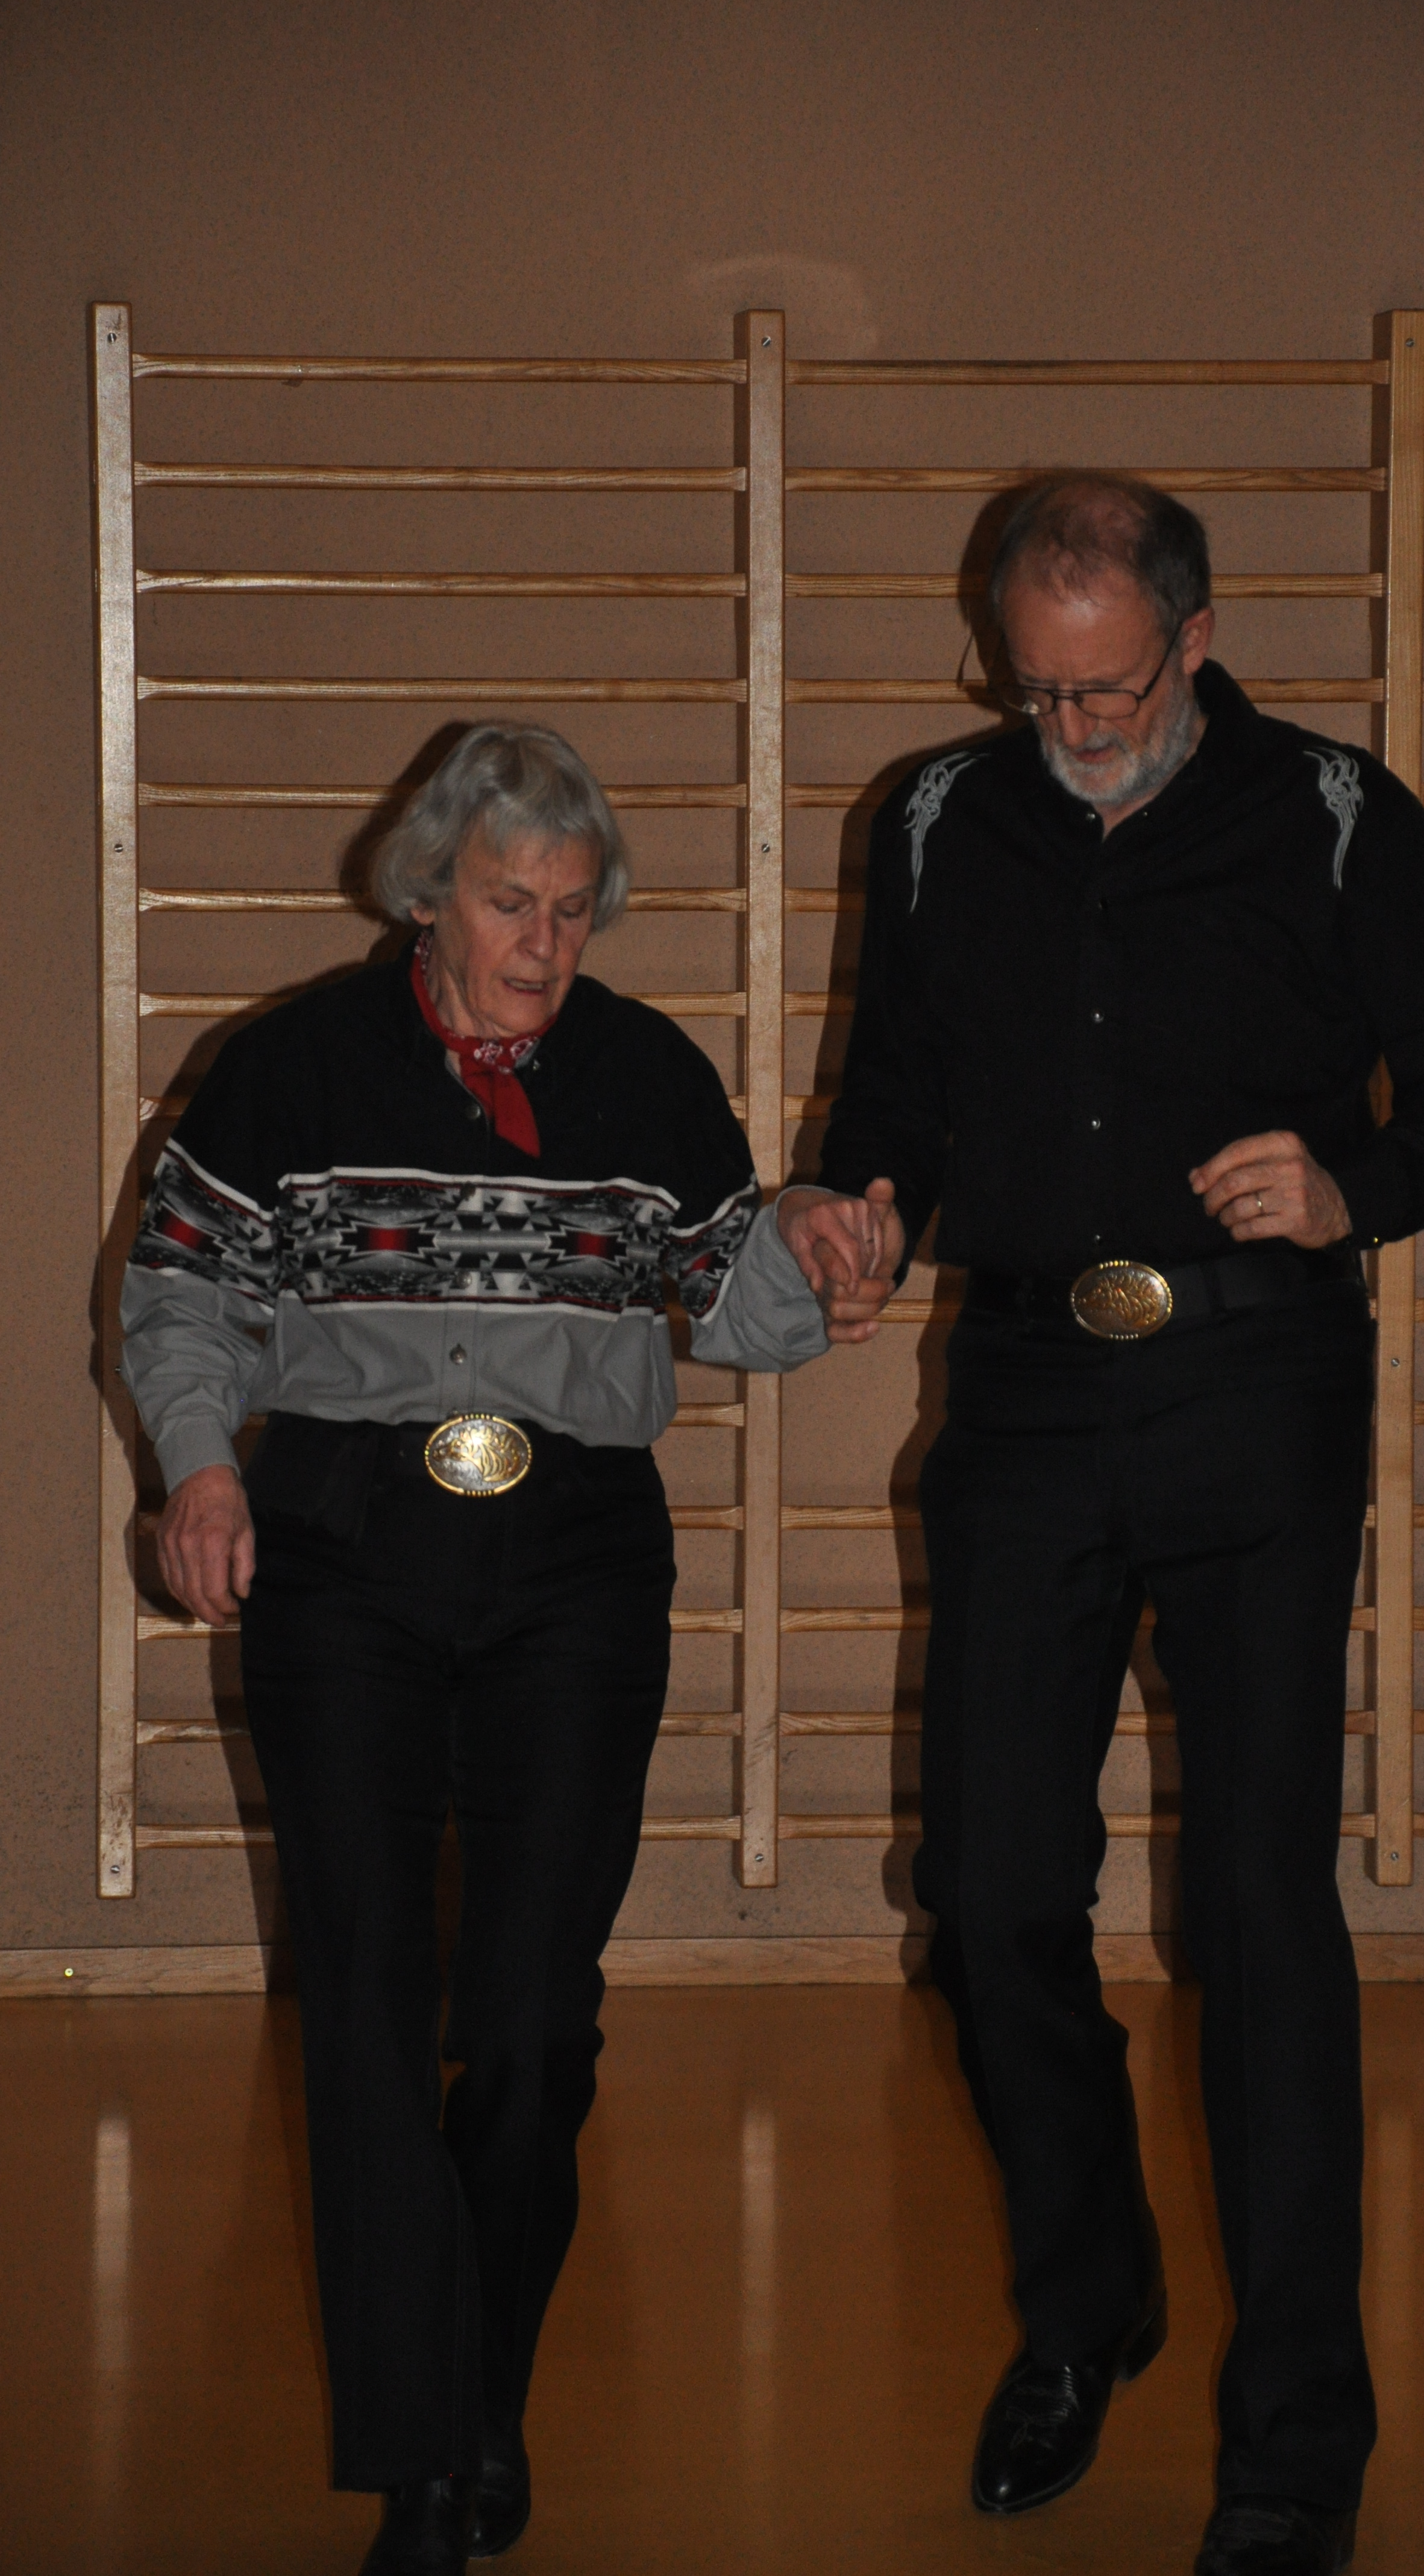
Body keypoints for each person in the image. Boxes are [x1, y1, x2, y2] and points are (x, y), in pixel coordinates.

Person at [790, 475, 1424, 2576]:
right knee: (986, 1893)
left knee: (1260, 1914)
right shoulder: (939, 818)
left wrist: (1353, 1186)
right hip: (1029, 1392)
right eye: (1033, 690)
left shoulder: (1335, 814)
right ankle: (1090, 2295)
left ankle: (1296, 2441)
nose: (1070, 730)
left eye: (1106, 690)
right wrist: (859, 1204)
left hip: (1255, 1387)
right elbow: (894, 1099)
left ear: (1196, 641)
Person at [122, 722, 889, 2576]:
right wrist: (203, 1471)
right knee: (370, 1995)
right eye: (505, 902)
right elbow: (176, 1288)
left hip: (574, 1564)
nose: (540, 941)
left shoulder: (645, 1074)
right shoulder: (294, 1064)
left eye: (568, 908)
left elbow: (734, 1305)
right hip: (345, 1550)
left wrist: (816, 1246)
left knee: (536, 2020)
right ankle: (426, 2456)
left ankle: (484, 2391)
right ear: (429, 894)